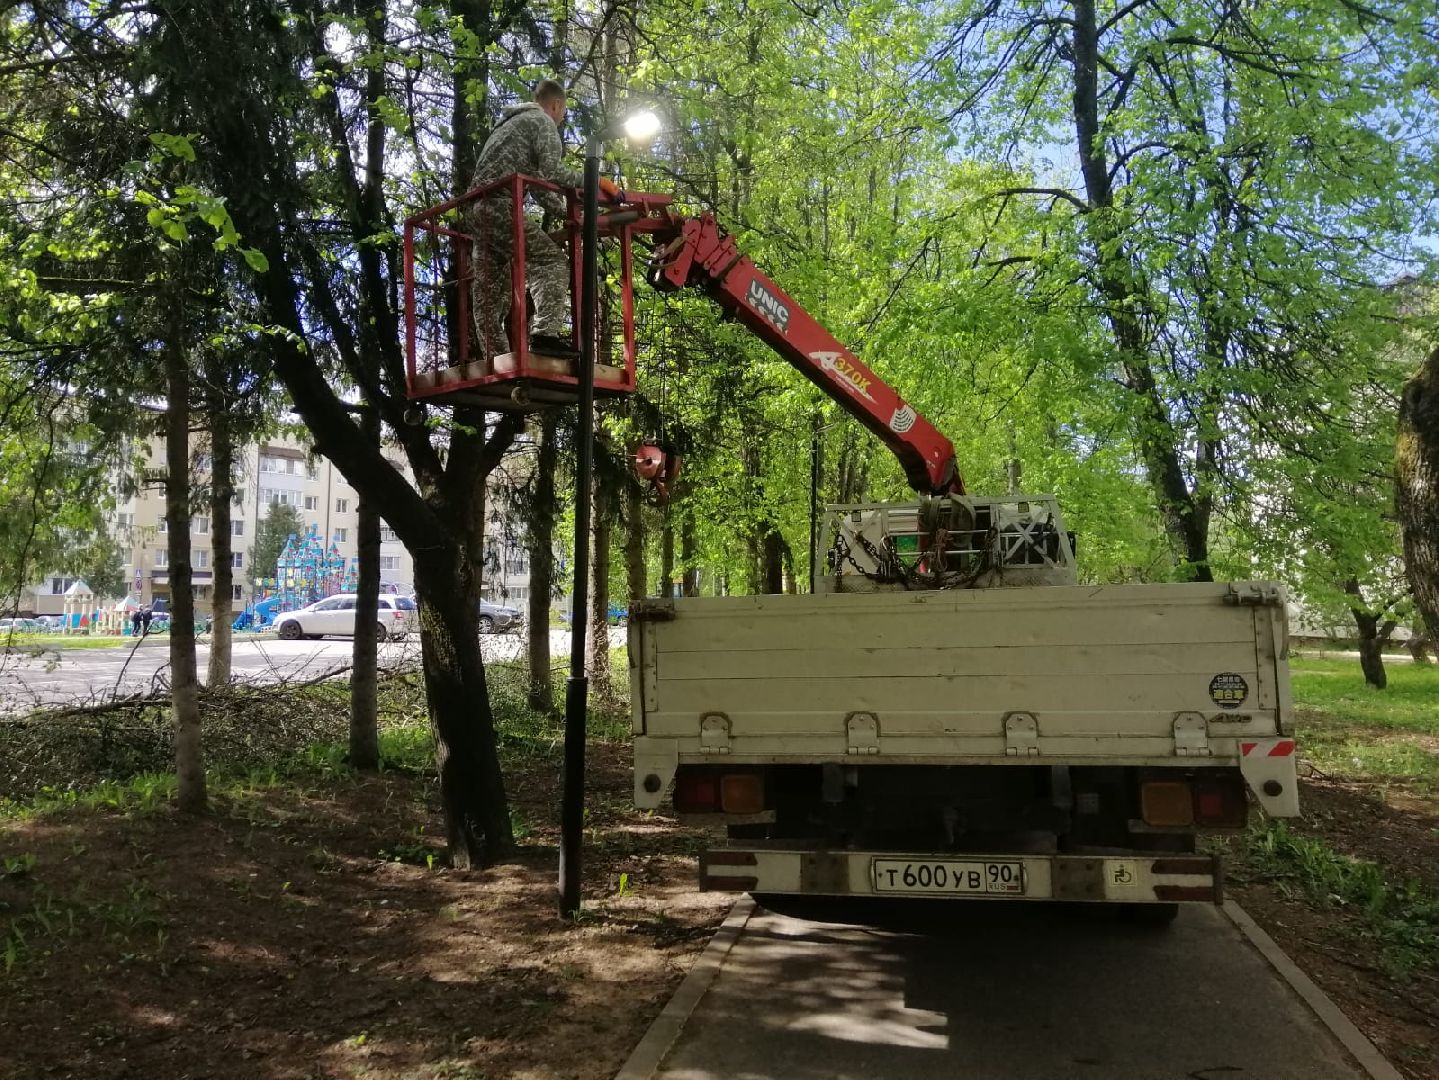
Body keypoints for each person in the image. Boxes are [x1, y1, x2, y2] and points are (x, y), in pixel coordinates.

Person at [466, 79, 618, 359]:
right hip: (500, 206)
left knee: (488, 292)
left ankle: (496, 360)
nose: (561, 120)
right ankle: (545, 335)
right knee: (551, 261)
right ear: (556, 105)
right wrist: (596, 181)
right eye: (563, 113)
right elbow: (551, 171)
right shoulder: (542, 121)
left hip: (477, 211)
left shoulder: (510, 125)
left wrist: (570, 214)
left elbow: (536, 184)